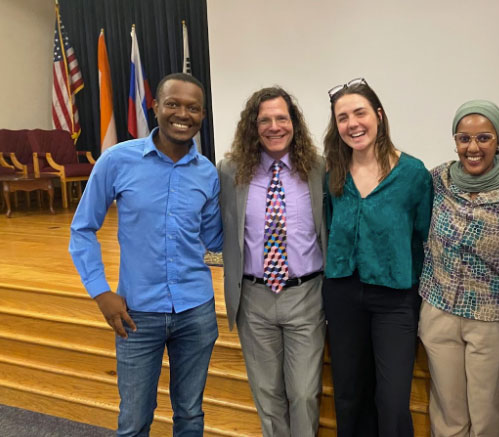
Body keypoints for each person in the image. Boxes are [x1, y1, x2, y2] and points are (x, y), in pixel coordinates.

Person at [69, 72, 223, 436]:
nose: (182, 114)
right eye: (173, 104)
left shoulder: (208, 174)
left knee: (190, 414)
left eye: (193, 107)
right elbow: (82, 229)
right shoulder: (117, 161)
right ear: (155, 107)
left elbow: (216, 240)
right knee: (135, 419)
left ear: (202, 115)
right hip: (136, 314)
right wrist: (100, 291)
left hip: (196, 312)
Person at [322, 78, 432, 437]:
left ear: (379, 116)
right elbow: (327, 225)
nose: (352, 124)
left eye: (360, 113)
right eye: (342, 117)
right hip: (342, 294)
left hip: (395, 298)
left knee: (393, 399)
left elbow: (422, 234)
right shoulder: (332, 173)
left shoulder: (413, 173)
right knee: (350, 394)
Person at [418, 100, 499, 436]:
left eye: (484, 138)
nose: (472, 147)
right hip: (438, 314)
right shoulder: (437, 180)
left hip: (493, 323)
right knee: (448, 418)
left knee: (489, 422)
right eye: (463, 138)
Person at [217, 87, 327, 437]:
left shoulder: (318, 168)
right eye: (264, 119)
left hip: (306, 296)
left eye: (282, 118)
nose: (274, 126)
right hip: (254, 298)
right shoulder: (230, 171)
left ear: (294, 123)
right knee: (267, 395)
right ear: (253, 126)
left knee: (304, 393)